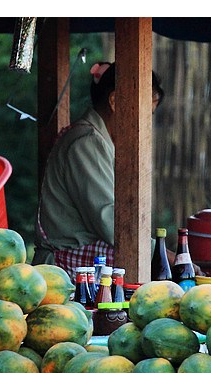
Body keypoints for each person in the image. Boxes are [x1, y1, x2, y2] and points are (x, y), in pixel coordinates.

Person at [32, 61, 165, 276]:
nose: (145, 125)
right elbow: (112, 222)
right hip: (63, 274)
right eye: (144, 114)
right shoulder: (86, 143)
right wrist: (165, 254)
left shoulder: (97, 139)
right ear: (114, 101)